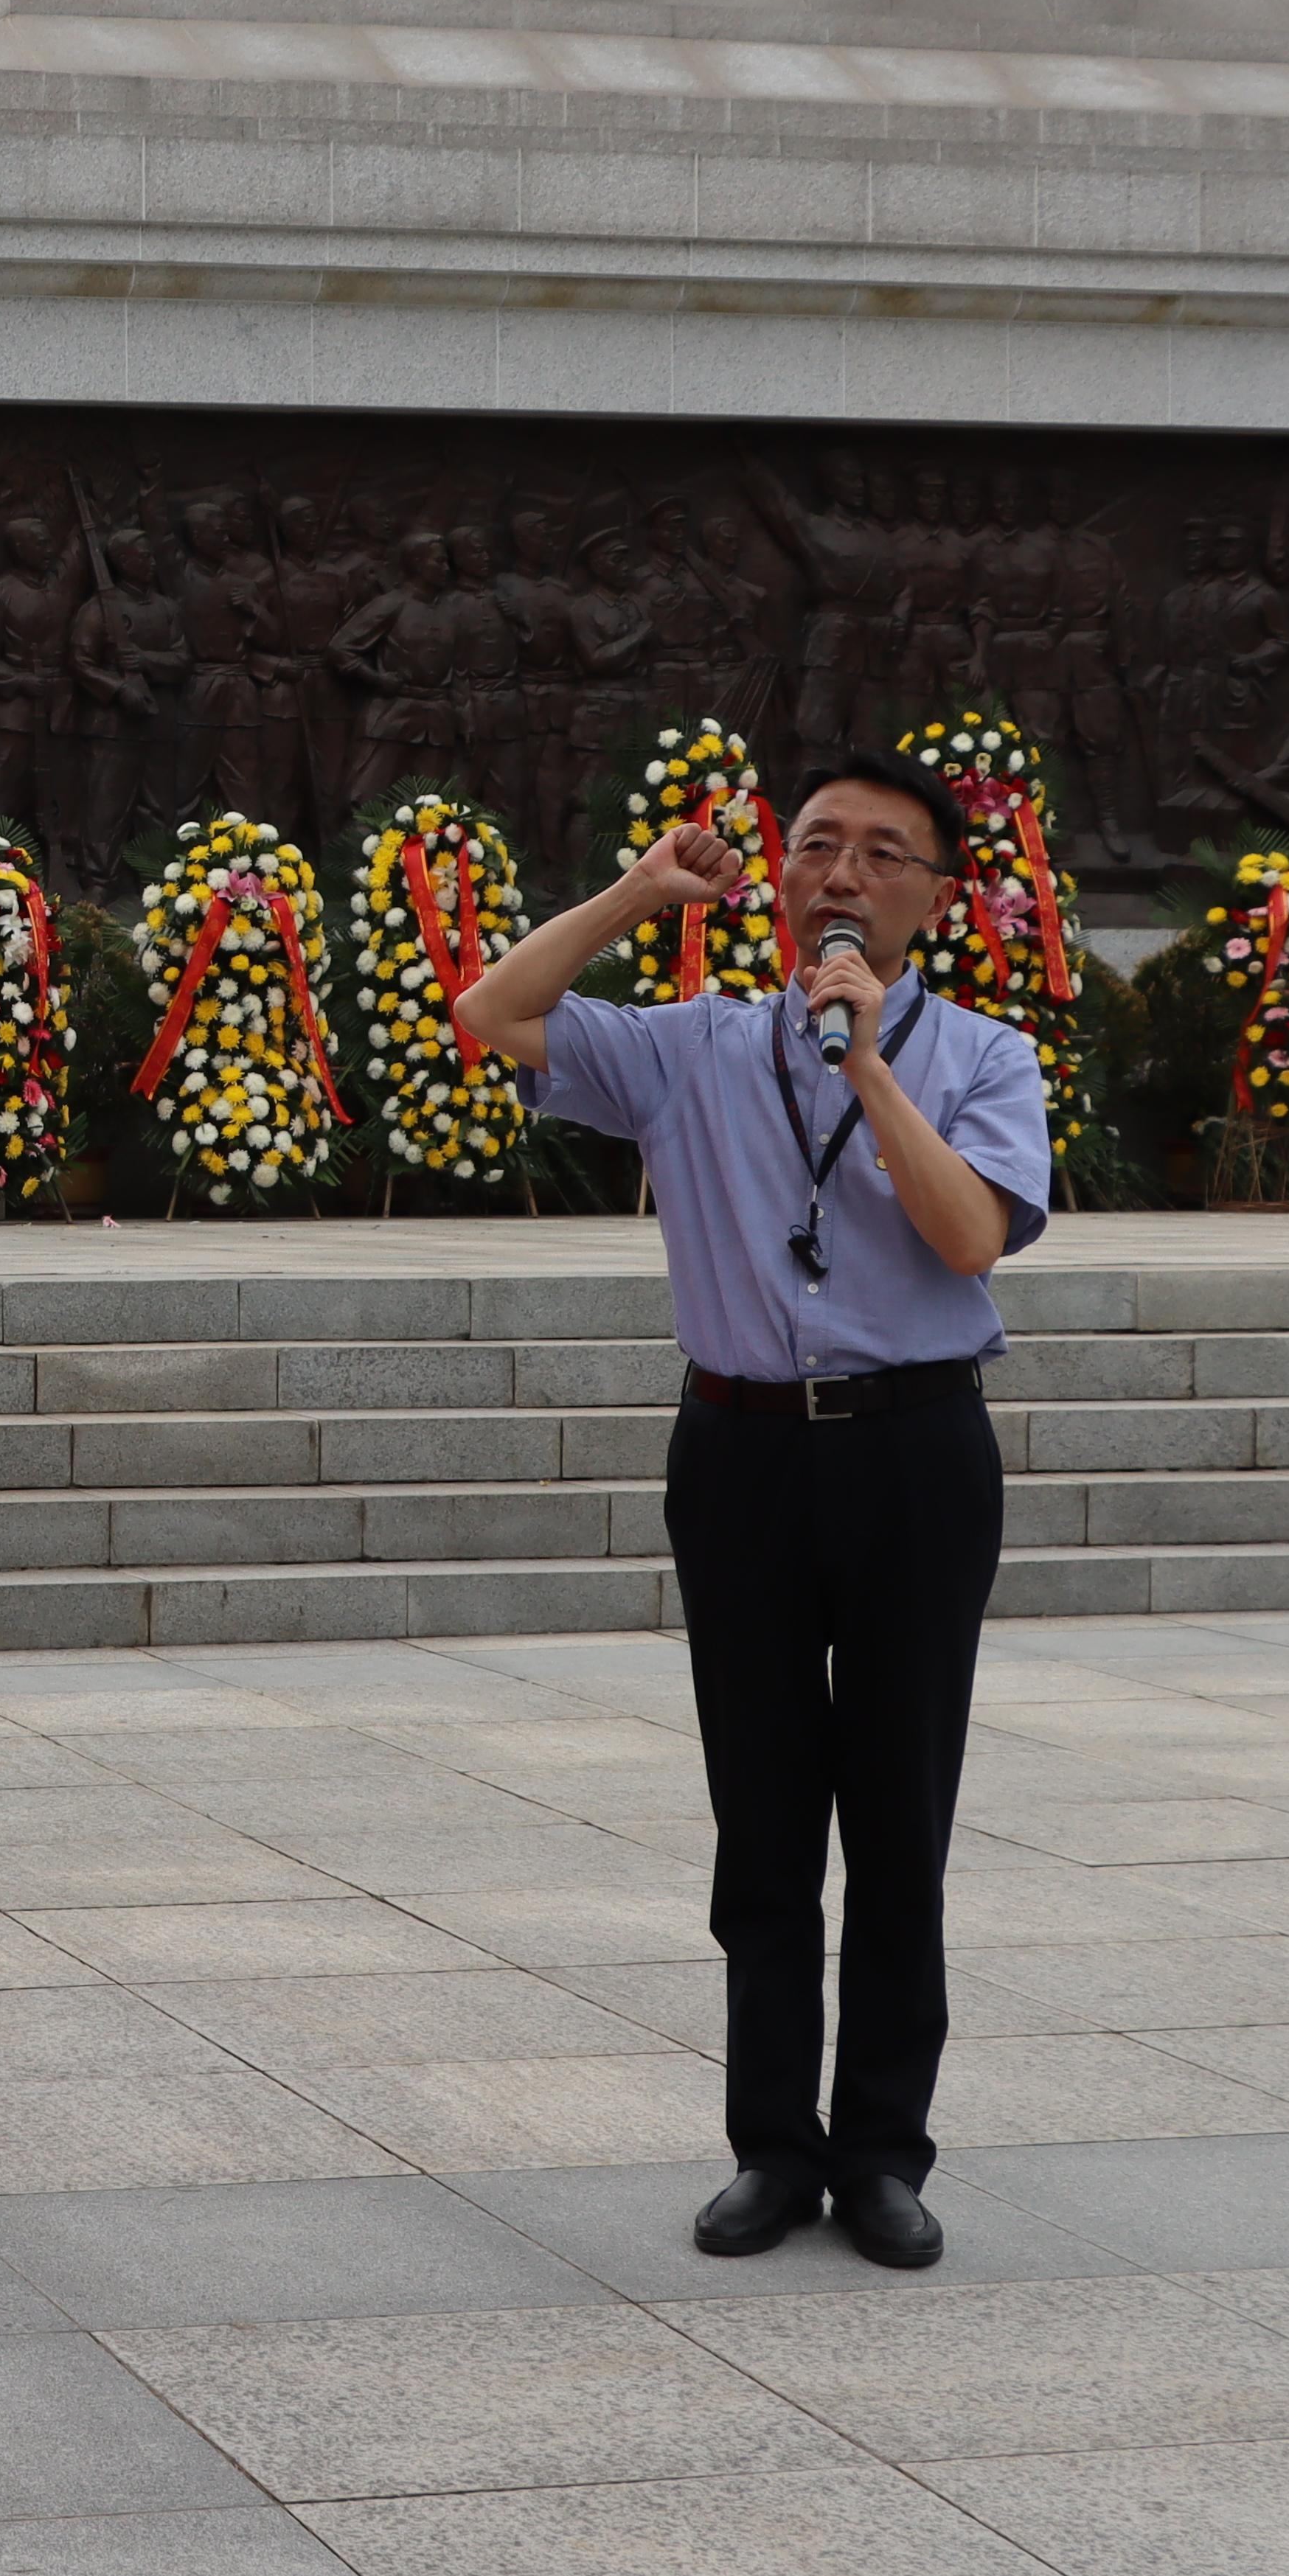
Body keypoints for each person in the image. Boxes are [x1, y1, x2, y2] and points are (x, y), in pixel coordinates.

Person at [451, 751, 1052, 2267]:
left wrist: (869, 1066)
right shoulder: (691, 1047)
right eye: (818, 844)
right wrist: (637, 893)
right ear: (780, 875)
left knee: (899, 1821)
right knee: (765, 1822)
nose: (842, 874)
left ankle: (885, 2155)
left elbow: (969, 1236)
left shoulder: (986, 1058)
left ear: (936, 897)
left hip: (915, 1454)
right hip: (742, 1454)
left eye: (883, 853)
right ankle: (773, 2149)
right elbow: (493, 1014)